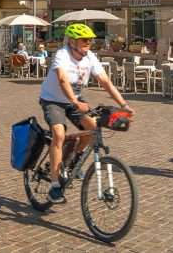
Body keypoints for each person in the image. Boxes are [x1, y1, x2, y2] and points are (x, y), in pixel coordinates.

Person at [39, 23, 133, 204]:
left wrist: (123, 104)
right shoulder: (62, 55)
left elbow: (105, 81)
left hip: (75, 100)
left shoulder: (90, 57)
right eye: (84, 40)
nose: (88, 43)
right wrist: (75, 101)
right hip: (53, 100)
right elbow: (62, 79)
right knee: (59, 133)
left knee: (92, 128)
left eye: (90, 40)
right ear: (73, 41)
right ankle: (55, 185)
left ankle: (72, 159)